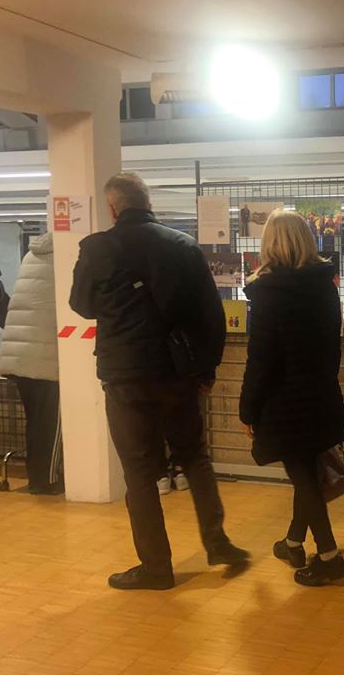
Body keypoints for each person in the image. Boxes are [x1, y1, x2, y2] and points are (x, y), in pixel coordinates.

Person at [70, 172, 248, 591]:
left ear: (112, 208)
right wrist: (206, 369)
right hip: (176, 372)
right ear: (148, 203)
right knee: (194, 456)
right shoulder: (183, 246)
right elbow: (211, 314)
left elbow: (81, 305)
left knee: (138, 471)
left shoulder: (96, 248)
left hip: (124, 377)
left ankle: (156, 568)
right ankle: (217, 541)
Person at [239, 209, 344, 586]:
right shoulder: (325, 285)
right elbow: (333, 347)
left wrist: (247, 409)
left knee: (304, 477)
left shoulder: (268, 293)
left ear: (269, 243)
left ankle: (330, 557)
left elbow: (261, 359)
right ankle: (292, 543)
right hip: (321, 395)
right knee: (307, 474)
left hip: (283, 403)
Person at [0, 231, 63, 495]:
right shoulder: (65, 257)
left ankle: (36, 475)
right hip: (45, 359)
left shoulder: (32, 255)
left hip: (19, 355)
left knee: (36, 421)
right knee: (51, 425)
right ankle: (47, 481)